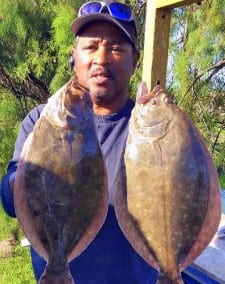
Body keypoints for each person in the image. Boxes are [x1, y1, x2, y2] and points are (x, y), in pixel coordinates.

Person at [0, 1, 160, 283]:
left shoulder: (153, 125)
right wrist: (30, 177)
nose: (101, 58)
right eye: (90, 47)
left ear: (135, 60)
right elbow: (10, 199)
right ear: (74, 56)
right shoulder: (40, 119)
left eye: (116, 48)